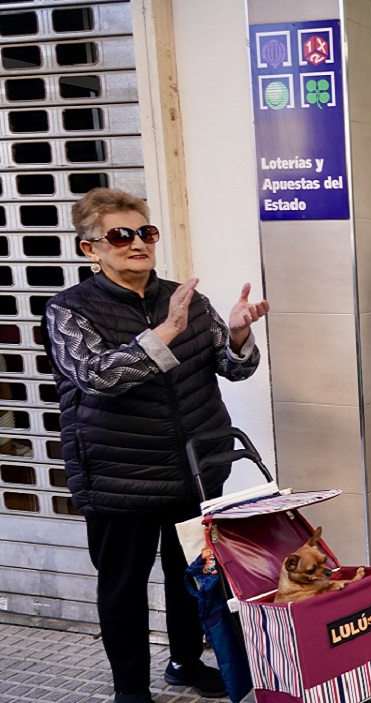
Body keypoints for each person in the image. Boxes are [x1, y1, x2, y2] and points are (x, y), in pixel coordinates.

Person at [42, 188, 268, 703]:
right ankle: (130, 690)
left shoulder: (186, 298)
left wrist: (235, 334)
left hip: (195, 467)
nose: (137, 243)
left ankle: (186, 662)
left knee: (190, 575)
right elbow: (97, 377)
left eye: (145, 232)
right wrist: (164, 333)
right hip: (118, 473)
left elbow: (236, 369)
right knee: (123, 586)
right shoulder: (68, 310)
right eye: (120, 236)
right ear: (90, 249)